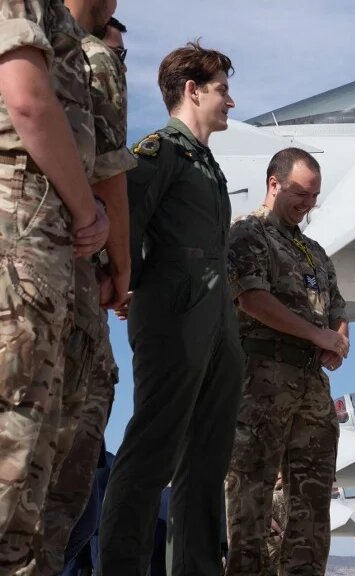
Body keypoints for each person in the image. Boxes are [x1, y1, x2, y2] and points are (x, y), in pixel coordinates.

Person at [97, 41, 243, 576]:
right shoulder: (159, 151)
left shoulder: (206, 163)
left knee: (208, 457)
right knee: (152, 447)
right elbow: (123, 220)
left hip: (215, 317)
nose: (230, 101)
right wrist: (128, 282)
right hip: (174, 313)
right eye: (222, 89)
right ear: (192, 90)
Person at [0, 0, 107, 571]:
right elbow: (27, 99)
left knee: (36, 465)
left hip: (46, 245)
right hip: (22, 238)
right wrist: (88, 209)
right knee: (14, 448)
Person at [35, 5, 135, 574]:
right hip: (69, 287)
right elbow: (110, 178)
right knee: (64, 490)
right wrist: (122, 270)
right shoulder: (88, 56)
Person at [225, 147, 348, 575]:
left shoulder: (313, 251)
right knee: (251, 500)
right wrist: (317, 335)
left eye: (314, 196)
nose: (307, 204)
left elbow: (337, 308)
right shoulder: (248, 233)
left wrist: (337, 341)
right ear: (273, 184)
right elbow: (252, 298)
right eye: (300, 194)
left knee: (312, 508)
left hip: (311, 387)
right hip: (261, 382)